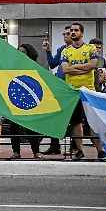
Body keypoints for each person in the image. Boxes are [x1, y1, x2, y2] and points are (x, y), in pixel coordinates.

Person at [61, 22, 106, 160]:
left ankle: (100, 151)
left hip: (89, 91)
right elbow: (65, 69)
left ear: (82, 33)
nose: (73, 32)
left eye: (76, 30)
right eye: (71, 31)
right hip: (72, 92)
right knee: (76, 122)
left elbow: (93, 65)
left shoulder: (90, 48)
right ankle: (80, 150)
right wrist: (84, 67)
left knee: (93, 122)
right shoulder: (65, 51)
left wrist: (75, 68)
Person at [41, 26, 72, 155]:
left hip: (70, 87)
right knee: (54, 115)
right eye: (64, 34)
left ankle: (74, 146)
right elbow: (53, 64)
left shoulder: (79, 50)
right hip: (60, 86)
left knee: (72, 119)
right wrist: (48, 51)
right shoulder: (61, 49)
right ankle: (55, 145)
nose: (65, 36)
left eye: (68, 34)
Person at [10, 44, 43, 159]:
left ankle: (36, 151)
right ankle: (16, 152)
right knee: (14, 127)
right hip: (15, 100)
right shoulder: (13, 66)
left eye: (23, 51)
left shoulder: (35, 66)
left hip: (30, 100)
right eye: (19, 51)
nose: (20, 53)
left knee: (32, 127)